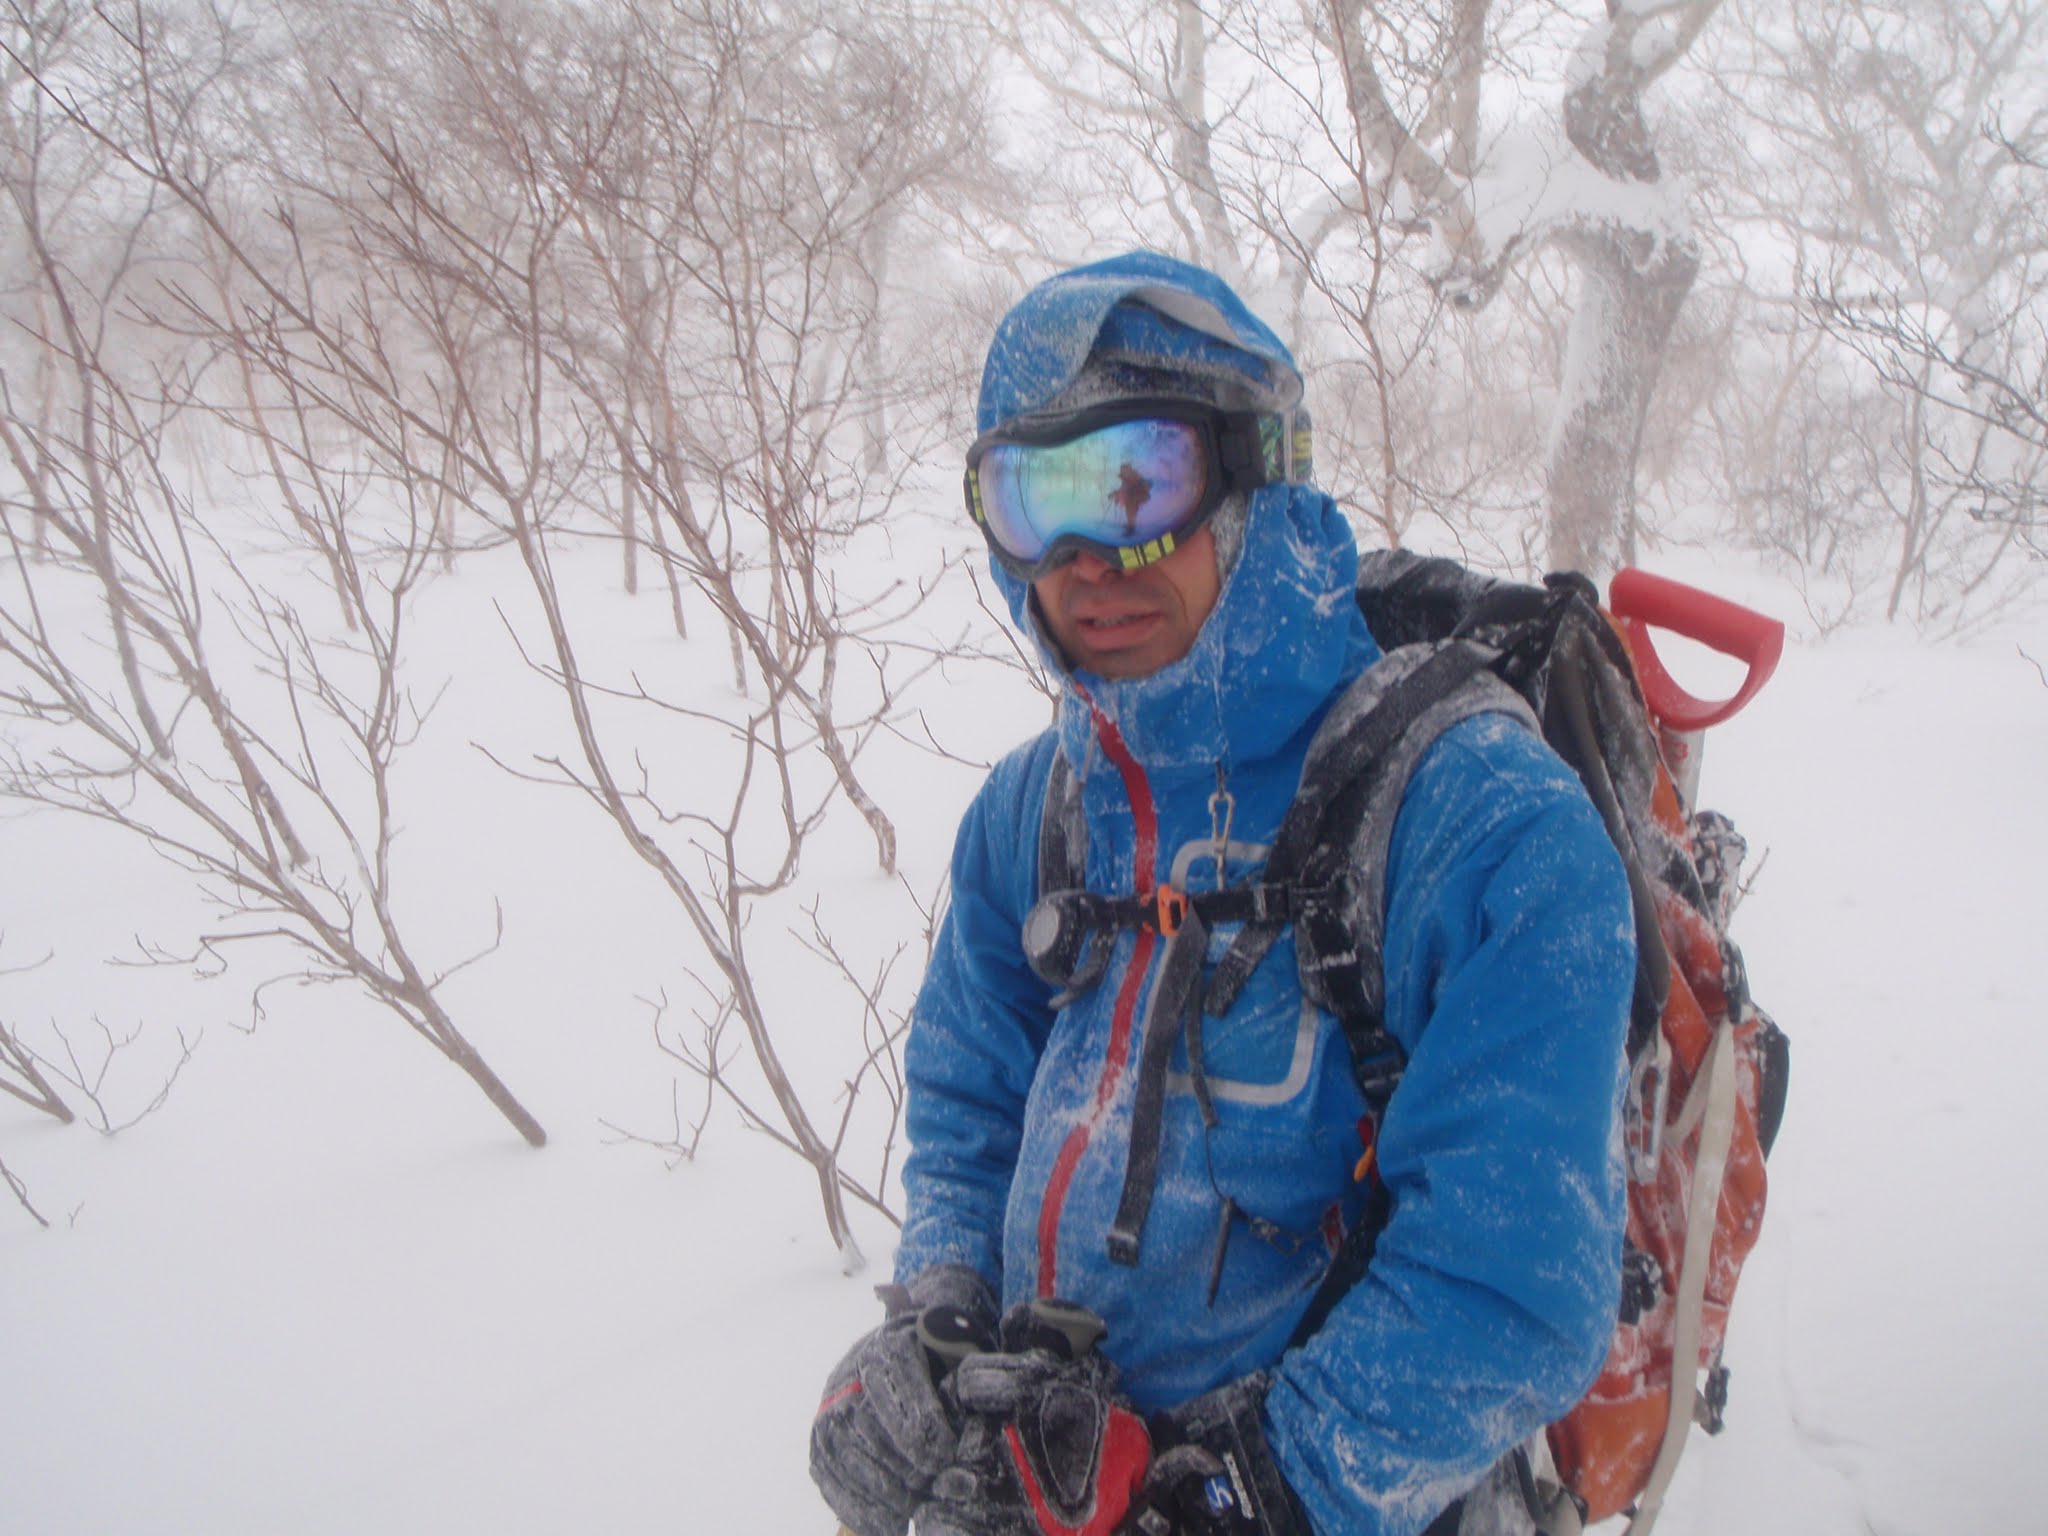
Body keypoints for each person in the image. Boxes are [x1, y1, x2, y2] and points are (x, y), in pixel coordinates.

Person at [811, 251, 1636, 1536]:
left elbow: (1512, 1278)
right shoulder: (1033, 814)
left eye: (1137, 484)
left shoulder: (1477, 824)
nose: (1085, 560)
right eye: (1030, 501)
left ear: (1256, 476)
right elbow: (970, 1092)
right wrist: (940, 1309)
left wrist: (1247, 1490)